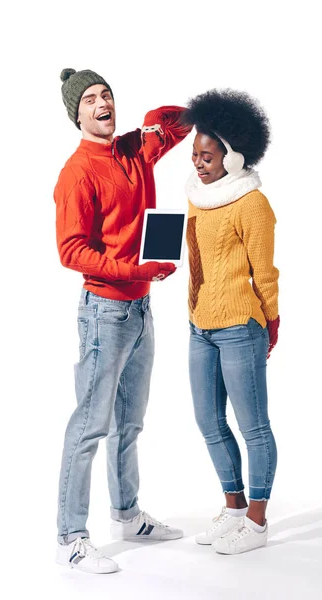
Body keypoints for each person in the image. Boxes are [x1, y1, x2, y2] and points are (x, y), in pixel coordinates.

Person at [53, 67, 192, 574]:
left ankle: (127, 515)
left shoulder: (135, 149)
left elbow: (179, 127)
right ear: (77, 114)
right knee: (90, 426)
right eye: (90, 99)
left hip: (140, 308)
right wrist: (135, 269)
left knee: (130, 423)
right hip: (105, 313)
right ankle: (71, 535)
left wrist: (162, 118)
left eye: (106, 94)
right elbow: (71, 251)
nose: (101, 103)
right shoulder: (78, 172)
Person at [183, 89, 280, 555]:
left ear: (232, 156)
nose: (199, 163)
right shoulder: (196, 198)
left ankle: (257, 525)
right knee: (208, 420)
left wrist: (271, 319)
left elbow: (265, 270)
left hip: (241, 325)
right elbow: (197, 259)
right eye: (195, 155)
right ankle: (234, 507)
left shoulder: (252, 203)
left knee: (253, 426)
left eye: (207, 156)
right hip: (199, 325)